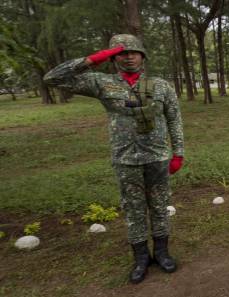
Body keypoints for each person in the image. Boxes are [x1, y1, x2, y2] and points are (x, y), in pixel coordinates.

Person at [44, 34, 185, 284]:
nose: (128, 56)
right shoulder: (101, 83)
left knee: (160, 206)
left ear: (143, 56)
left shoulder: (161, 85)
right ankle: (141, 258)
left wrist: (178, 153)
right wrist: (91, 60)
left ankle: (162, 252)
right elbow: (53, 78)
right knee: (133, 210)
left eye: (133, 52)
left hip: (157, 157)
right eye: (121, 53)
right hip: (126, 159)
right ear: (113, 57)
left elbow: (174, 119)